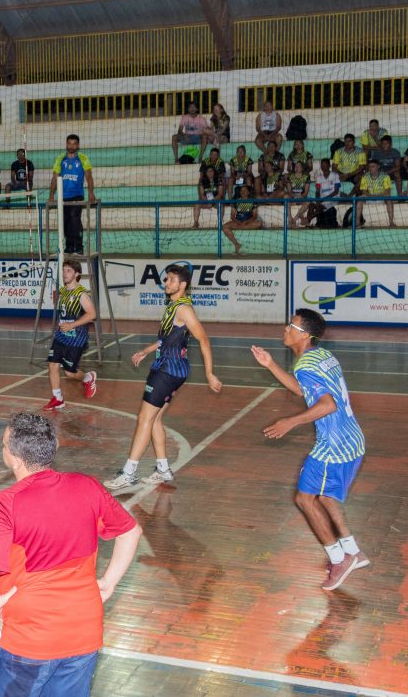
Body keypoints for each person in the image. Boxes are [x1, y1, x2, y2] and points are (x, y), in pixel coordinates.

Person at [0, 413, 141, 697]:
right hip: (84, 632)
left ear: (15, 457)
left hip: (31, 639)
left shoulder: (7, 503)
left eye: (4, 445)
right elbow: (131, 531)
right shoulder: (87, 486)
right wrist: (109, 582)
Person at [250, 309, 369, 591]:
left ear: (303, 334)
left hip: (334, 446)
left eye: (290, 325)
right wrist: (270, 365)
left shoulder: (306, 365)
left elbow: (327, 404)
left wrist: (289, 421)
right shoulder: (321, 356)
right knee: (325, 496)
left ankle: (339, 559)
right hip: (353, 440)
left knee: (305, 500)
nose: (285, 328)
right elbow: (304, 392)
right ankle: (353, 550)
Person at [104, 264, 221, 491]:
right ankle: (162, 469)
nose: (166, 283)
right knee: (155, 419)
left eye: (170, 280)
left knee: (144, 419)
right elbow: (168, 339)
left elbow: (204, 340)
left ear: (183, 284)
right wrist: (147, 351)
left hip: (168, 371)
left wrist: (209, 373)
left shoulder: (184, 309)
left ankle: (128, 473)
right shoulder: (173, 305)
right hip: (167, 367)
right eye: (166, 279)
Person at [43, 260, 98, 411]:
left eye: (68, 270)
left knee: (69, 372)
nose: (64, 273)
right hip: (61, 335)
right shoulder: (63, 291)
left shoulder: (81, 294)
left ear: (77, 274)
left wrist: (71, 325)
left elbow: (92, 314)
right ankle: (57, 398)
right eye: (64, 270)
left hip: (76, 338)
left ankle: (88, 377)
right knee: (53, 364)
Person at [49, 134, 96, 255]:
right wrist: (51, 195)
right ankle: (69, 246)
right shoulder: (60, 159)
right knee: (65, 221)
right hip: (62, 197)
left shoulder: (83, 158)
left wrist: (91, 193)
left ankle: (79, 246)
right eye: (69, 143)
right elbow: (54, 178)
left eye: (74, 144)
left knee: (75, 218)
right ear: (66, 144)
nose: (71, 146)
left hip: (77, 195)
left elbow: (89, 177)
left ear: (78, 145)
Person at [222, 184, 263, 255]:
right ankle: (236, 244)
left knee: (259, 223)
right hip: (238, 222)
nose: (243, 192)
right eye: (241, 190)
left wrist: (246, 222)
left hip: (249, 222)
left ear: (248, 192)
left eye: (245, 190)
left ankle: (242, 227)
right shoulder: (235, 201)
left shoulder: (253, 201)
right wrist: (239, 222)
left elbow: (254, 216)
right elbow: (232, 216)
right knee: (225, 227)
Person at [354, 159, 397, 227]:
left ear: (378, 167)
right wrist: (371, 195)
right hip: (370, 197)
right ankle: (357, 222)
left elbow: (387, 192)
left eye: (373, 166)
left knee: (389, 200)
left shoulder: (385, 177)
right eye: (369, 167)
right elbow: (364, 192)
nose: (371, 168)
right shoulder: (365, 177)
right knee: (359, 199)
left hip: (381, 198)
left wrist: (376, 196)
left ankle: (391, 222)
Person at [304, 158, 342, 228]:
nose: (323, 166)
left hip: (333, 198)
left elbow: (336, 191)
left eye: (325, 164)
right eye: (322, 164)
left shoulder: (335, 175)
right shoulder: (319, 178)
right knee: (311, 205)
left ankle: (308, 220)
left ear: (329, 165)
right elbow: (317, 191)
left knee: (319, 208)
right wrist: (318, 200)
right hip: (322, 199)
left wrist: (323, 199)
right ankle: (308, 223)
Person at [192, 164, 226, 229]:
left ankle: (220, 223)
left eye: (211, 171)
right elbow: (202, 195)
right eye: (208, 171)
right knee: (197, 204)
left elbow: (220, 194)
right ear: (205, 173)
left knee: (221, 205)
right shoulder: (202, 181)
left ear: (214, 172)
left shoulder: (219, 180)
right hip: (206, 200)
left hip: (216, 200)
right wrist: (208, 202)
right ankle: (196, 223)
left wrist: (212, 201)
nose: (209, 173)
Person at [286, 160, 312, 227]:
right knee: (286, 197)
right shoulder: (290, 176)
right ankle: (289, 219)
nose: (297, 167)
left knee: (308, 201)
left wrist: (300, 197)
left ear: (302, 168)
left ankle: (294, 220)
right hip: (292, 198)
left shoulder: (306, 177)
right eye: (296, 166)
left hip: (302, 198)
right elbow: (289, 191)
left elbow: (306, 193)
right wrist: (294, 196)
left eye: (299, 166)